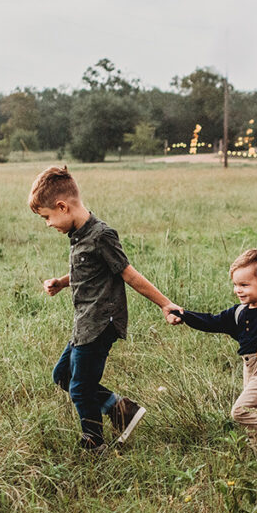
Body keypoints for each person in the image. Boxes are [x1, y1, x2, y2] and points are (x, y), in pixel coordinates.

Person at [30, 165, 181, 454]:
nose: (48, 224)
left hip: (100, 323)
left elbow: (128, 274)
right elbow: (87, 271)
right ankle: (121, 409)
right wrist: (62, 282)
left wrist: (166, 304)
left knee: (80, 388)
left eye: (47, 217)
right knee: (62, 375)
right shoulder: (78, 235)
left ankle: (94, 443)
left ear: (62, 206)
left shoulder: (101, 235)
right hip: (84, 323)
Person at [173, 249, 257, 462]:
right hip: (250, 371)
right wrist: (184, 315)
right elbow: (211, 322)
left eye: (244, 285)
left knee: (241, 411)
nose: (238, 290)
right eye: (236, 285)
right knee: (256, 422)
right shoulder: (238, 312)